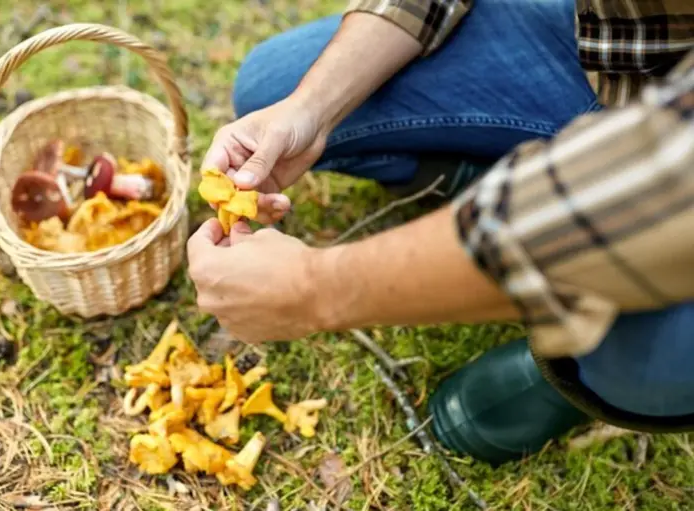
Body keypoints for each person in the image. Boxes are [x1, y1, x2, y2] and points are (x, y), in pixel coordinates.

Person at [187, 0, 694, 464]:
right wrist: (309, 110)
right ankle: (491, 188)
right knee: (271, 86)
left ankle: (577, 372)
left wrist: (312, 288)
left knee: (641, 343)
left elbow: (660, 197)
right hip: (617, 46)